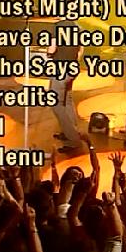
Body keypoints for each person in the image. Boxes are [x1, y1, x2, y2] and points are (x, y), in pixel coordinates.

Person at [47, 17, 83, 153]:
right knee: (67, 99)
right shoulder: (77, 26)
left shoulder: (58, 26)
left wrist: (48, 53)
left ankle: (73, 139)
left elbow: (52, 49)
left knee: (55, 104)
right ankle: (71, 131)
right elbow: (80, 50)